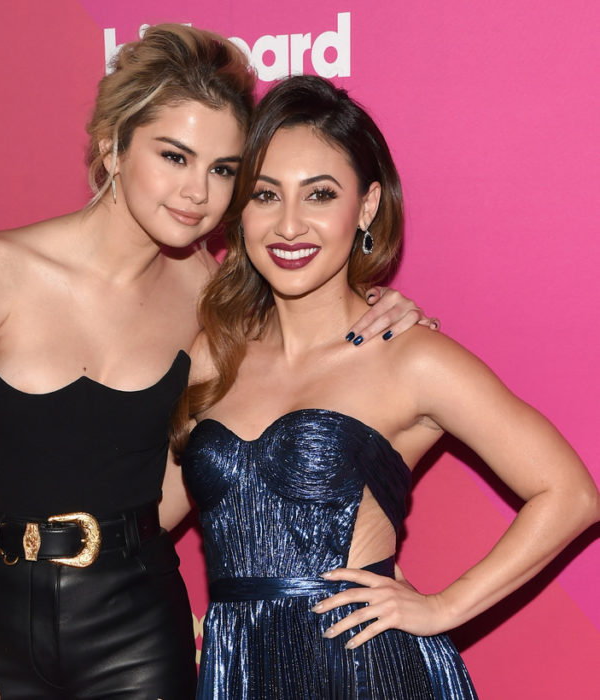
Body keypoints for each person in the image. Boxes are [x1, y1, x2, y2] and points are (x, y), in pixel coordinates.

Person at [0, 25, 433, 700]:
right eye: (174, 157)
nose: (198, 193)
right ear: (112, 146)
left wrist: (396, 312)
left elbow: (315, 349)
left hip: (135, 623)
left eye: (222, 170)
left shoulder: (213, 302)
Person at [167, 75, 600, 698]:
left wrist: (443, 607)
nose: (289, 225)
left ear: (366, 207)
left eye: (319, 195)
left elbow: (570, 493)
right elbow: (143, 513)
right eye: (266, 195)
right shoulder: (213, 353)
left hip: (366, 672)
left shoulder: (410, 357)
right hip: (239, 674)